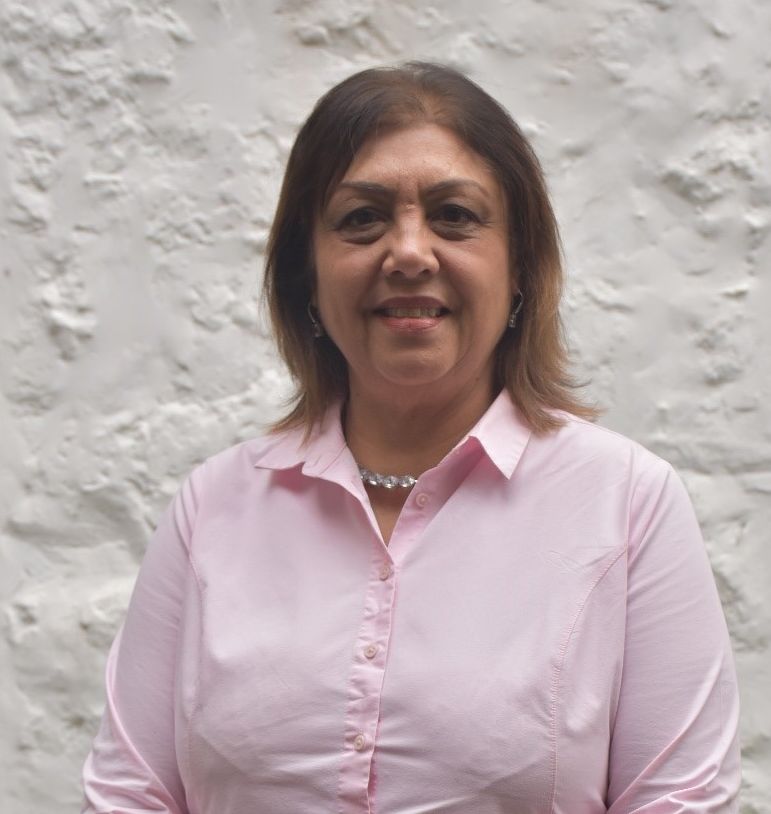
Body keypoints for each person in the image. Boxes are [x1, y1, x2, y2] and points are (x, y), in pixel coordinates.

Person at [81, 62, 741, 813]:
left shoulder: (626, 505)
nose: (408, 252)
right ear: (305, 274)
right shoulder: (214, 506)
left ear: (520, 266)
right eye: (361, 219)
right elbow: (129, 792)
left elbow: (679, 799)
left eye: (454, 215)